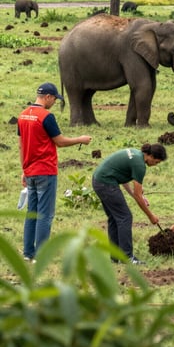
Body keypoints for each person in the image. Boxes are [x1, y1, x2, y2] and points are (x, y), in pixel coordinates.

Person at [18, 83, 92, 261]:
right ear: (48, 97)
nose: (54, 103)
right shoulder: (46, 117)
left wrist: (24, 170)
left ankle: (28, 253)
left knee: (32, 212)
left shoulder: (22, 115)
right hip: (45, 170)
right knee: (45, 214)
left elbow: (21, 145)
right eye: (54, 99)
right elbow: (60, 141)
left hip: (30, 170)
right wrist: (80, 139)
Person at [92, 143, 166, 264]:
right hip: (106, 183)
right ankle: (127, 257)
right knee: (125, 217)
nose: (155, 165)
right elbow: (138, 195)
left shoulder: (136, 154)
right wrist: (151, 216)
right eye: (156, 162)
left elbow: (122, 178)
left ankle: (115, 257)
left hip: (99, 180)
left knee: (114, 218)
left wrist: (138, 196)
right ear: (151, 156)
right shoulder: (140, 165)